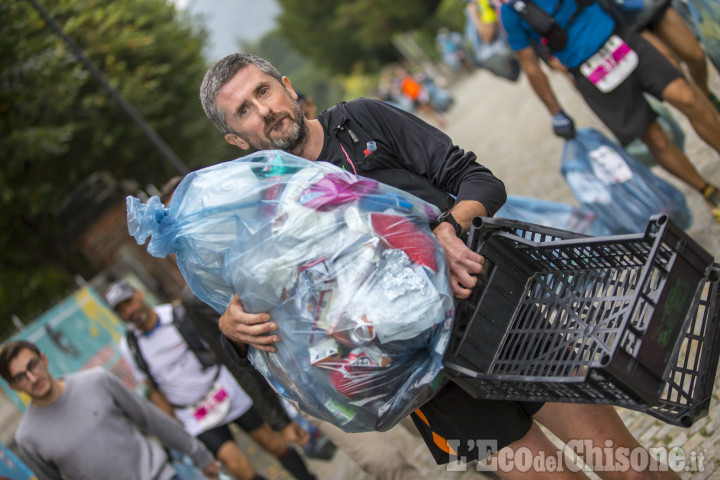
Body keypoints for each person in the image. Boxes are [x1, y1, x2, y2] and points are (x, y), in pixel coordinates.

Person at [198, 53, 681, 478]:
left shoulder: (362, 121)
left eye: (263, 91)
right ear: (236, 140)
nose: (264, 110)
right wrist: (230, 327)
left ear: (286, 85)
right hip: (426, 382)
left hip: (495, 318)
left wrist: (448, 227)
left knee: (628, 469)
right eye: (244, 110)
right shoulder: (262, 215)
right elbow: (266, 318)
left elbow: (478, 180)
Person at [498, 0, 720, 222]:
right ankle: (707, 190)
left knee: (688, 98)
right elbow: (531, 66)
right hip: (591, 73)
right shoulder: (511, 12)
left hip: (622, 40)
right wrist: (556, 112)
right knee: (655, 139)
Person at [105, 280, 317, 480]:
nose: (129, 311)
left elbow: (217, 348)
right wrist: (170, 429)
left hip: (224, 389)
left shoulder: (177, 315)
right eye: (121, 310)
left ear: (139, 294)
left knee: (274, 444)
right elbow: (153, 389)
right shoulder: (130, 347)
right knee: (237, 468)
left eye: (128, 302)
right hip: (193, 414)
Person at [0, 339, 220, 480]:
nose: (32, 377)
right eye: (20, 376)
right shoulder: (27, 437)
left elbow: (152, 419)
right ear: (13, 386)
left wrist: (199, 454)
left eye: (32, 365)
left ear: (43, 360)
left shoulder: (96, 380)